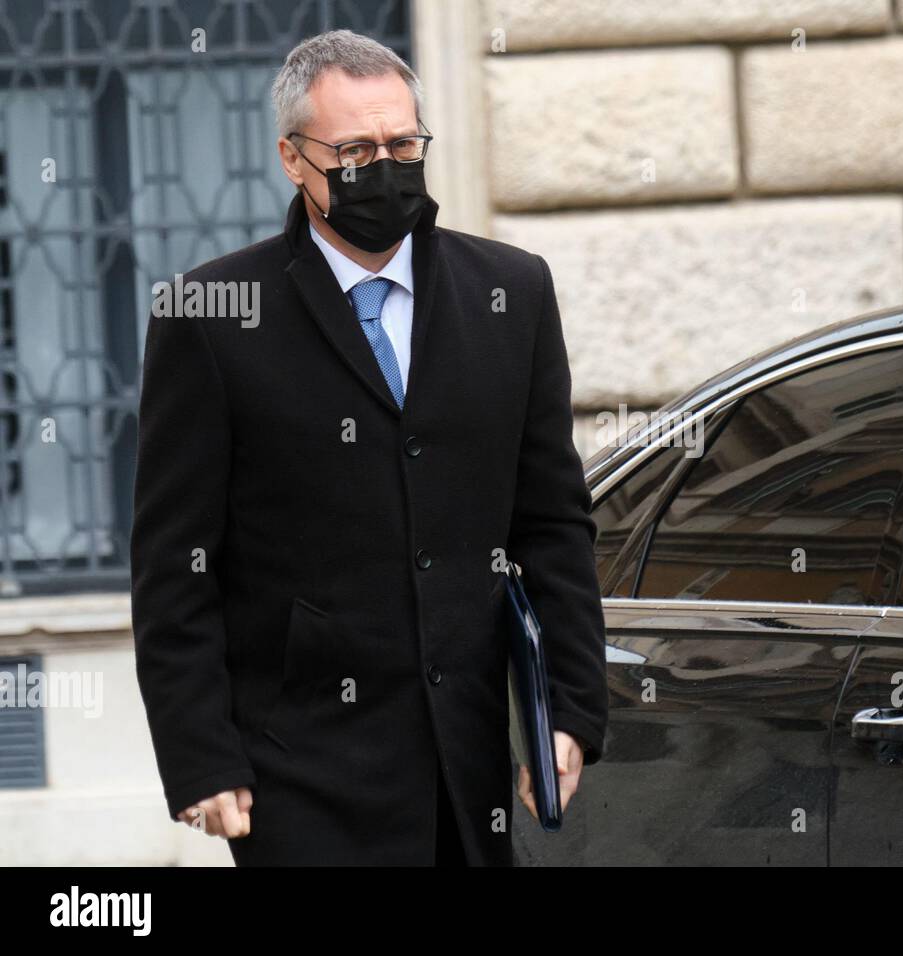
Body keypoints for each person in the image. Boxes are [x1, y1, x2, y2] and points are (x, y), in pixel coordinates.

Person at [129, 29, 608, 865]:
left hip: (471, 767)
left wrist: (567, 709)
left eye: (401, 143)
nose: (383, 166)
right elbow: (175, 565)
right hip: (301, 776)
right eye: (353, 148)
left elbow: (552, 523)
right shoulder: (210, 317)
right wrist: (200, 755)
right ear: (292, 157)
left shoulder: (511, 292)